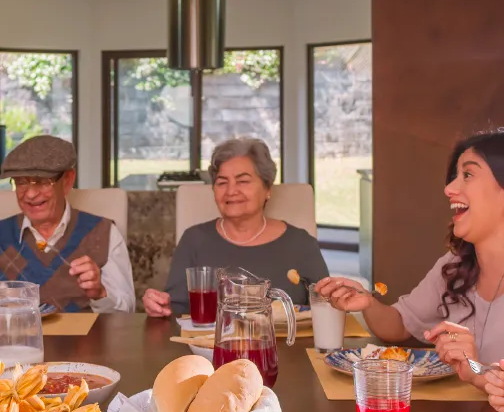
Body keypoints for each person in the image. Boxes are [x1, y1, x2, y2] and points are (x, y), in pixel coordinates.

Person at [316, 130, 504, 390]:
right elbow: (400, 324)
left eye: (468, 175)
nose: (449, 189)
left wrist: (474, 369)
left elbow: (480, 372)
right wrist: (367, 303)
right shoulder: (454, 266)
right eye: (454, 177)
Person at [143, 137, 328, 317]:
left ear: (268, 188)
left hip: (287, 347)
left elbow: (327, 309)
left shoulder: (301, 244)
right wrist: (159, 306)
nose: (231, 191)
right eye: (222, 182)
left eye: (243, 181)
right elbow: (175, 309)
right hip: (209, 348)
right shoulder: (194, 240)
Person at [0, 135, 135, 313]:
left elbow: (127, 314)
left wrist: (100, 293)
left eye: (41, 181)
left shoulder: (104, 233)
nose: (30, 194)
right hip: (16, 341)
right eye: (21, 182)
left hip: (87, 340)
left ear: (67, 180)